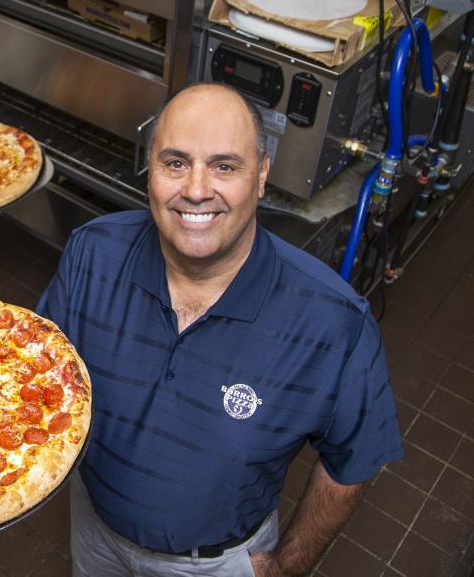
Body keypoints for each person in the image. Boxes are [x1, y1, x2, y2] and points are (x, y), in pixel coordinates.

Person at [37, 83, 403, 576]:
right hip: (95, 532)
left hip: (212, 565)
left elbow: (353, 463)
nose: (195, 189)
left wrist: (288, 565)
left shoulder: (334, 324)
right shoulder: (91, 253)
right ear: (151, 170)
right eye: (175, 162)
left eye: (225, 166)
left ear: (262, 174)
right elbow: (37, 373)